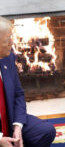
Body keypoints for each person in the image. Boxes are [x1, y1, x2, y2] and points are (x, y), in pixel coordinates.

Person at [0, 16, 56, 147]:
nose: (12, 42)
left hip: (10, 119)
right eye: (7, 39)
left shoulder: (7, 57)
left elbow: (18, 93)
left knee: (46, 131)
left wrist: (18, 127)